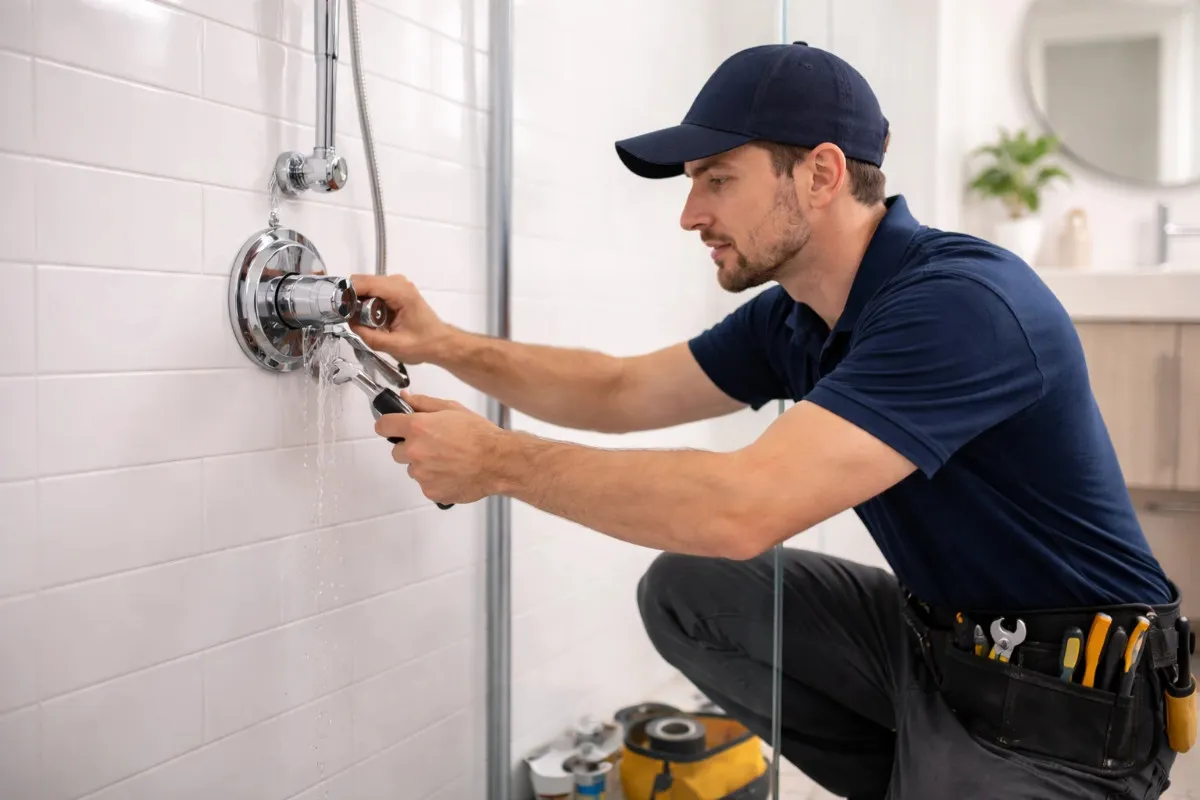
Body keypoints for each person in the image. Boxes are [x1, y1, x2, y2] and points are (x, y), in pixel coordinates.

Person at [350, 42, 1189, 799]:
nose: (691, 215)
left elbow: (740, 508)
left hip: (1070, 710)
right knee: (690, 593)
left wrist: (501, 462)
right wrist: (444, 342)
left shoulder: (960, 304)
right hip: (938, 648)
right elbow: (618, 391)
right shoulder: (798, 315)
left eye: (718, 179)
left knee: (716, 547)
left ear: (821, 174)